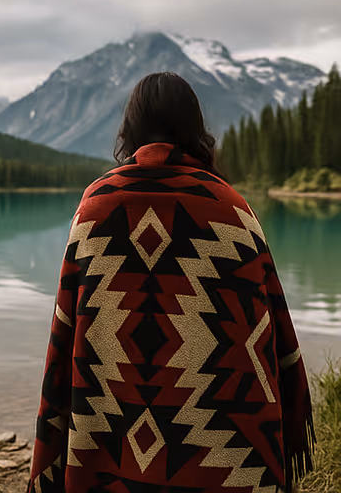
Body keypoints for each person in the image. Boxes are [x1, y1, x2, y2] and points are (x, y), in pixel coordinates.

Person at [28, 72, 314, 493]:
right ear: (196, 131)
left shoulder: (95, 206)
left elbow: (68, 333)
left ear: (130, 129)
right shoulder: (231, 210)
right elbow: (266, 335)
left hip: (109, 448)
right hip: (218, 466)